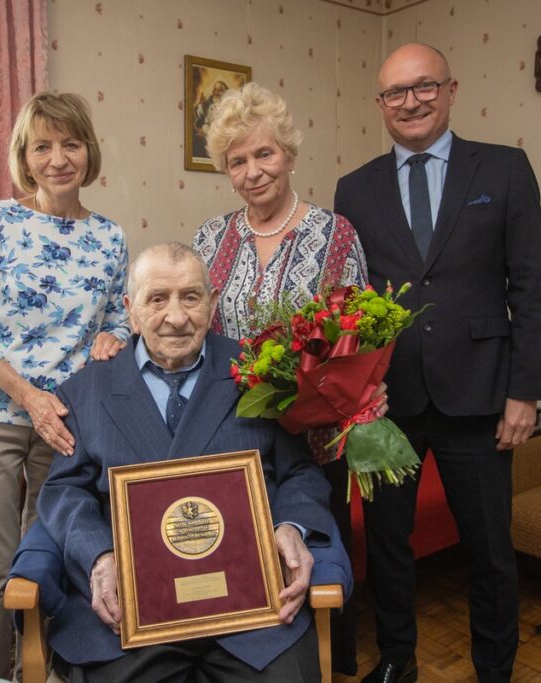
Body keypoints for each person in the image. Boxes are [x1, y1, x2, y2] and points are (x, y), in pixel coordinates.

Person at [334, 43, 541, 683]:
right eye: (396, 93)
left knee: (489, 552)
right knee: (387, 547)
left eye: (424, 86)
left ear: (451, 90)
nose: (411, 101)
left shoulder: (505, 170)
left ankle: (494, 668)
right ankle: (398, 659)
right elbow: (348, 301)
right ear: (381, 105)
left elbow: (532, 285)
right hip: (386, 404)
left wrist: (526, 392)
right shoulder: (355, 187)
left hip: (481, 396)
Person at [31, 243, 351, 682]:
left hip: (251, 611)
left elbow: (299, 472)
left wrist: (290, 526)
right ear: (130, 309)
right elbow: (64, 491)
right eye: (157, 298)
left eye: (191, 297)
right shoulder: (87, 391)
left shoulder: (260, 372)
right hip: (132, 614)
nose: (177, 317)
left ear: (212, 302)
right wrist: (100, 555)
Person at [0, 91, 129, 678]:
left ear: (88, 152)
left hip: (66, 426)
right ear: (25, 157)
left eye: (70, 144)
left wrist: (113, 337)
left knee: (48, 565)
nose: (57, 158)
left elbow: (119, 315)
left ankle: (43, 673)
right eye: (42, 146)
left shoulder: (111, 238)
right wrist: (26, 395)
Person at [193, 81, 370, 676]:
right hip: (231, 435)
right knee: (237, 556)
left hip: (314, 438)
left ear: (289, 155)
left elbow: (358, 337)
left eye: (263, 154)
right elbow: (194, 332)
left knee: (313, 553)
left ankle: (321, 659)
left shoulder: (334, 234)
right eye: (236, 161)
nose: (252, 172)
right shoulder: (211, 239)